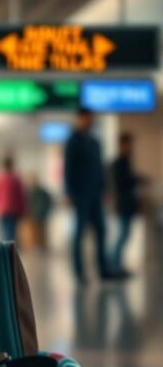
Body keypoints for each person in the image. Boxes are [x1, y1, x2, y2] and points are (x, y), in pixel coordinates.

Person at [64, 108, 113, 283]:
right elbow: (68, 169)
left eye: (91, 118)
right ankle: (79, 272)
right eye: (87, 118)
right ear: (80, 118)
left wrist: (104, 190)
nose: (90, 121)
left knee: (101, 230)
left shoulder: (94, 142)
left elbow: (100, 169)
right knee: (79, 233)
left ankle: (103, 269)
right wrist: (68, 192)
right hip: (80, 194)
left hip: (96, 194)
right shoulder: (73, 141)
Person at [110, 133, 145, 275]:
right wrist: (137, 179)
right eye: (128, 144)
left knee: (125, 235)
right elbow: (122, 183)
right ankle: (114, 265)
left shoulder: (126, 162)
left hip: (128, 205)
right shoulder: (119, 163)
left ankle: (116, 265)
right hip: (123, 205)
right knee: (123, 235)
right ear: (122, 145)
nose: (131, 148)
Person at [0, 156, 27, 243]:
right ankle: (10, 251)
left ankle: (4, 250)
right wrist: (23, 210)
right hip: (13, 210)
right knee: (12, 232)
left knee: (3, 231)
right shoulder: (15, 179)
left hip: (1, 210)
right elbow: (21, 197)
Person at [27, 176, 53, 250]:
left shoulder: (31, 192)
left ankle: (38, 245)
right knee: (40, 231)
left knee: (37, 231)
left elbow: (28, 203)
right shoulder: (41, 192)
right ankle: (40, 245)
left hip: (36, 214)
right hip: (41, 213)